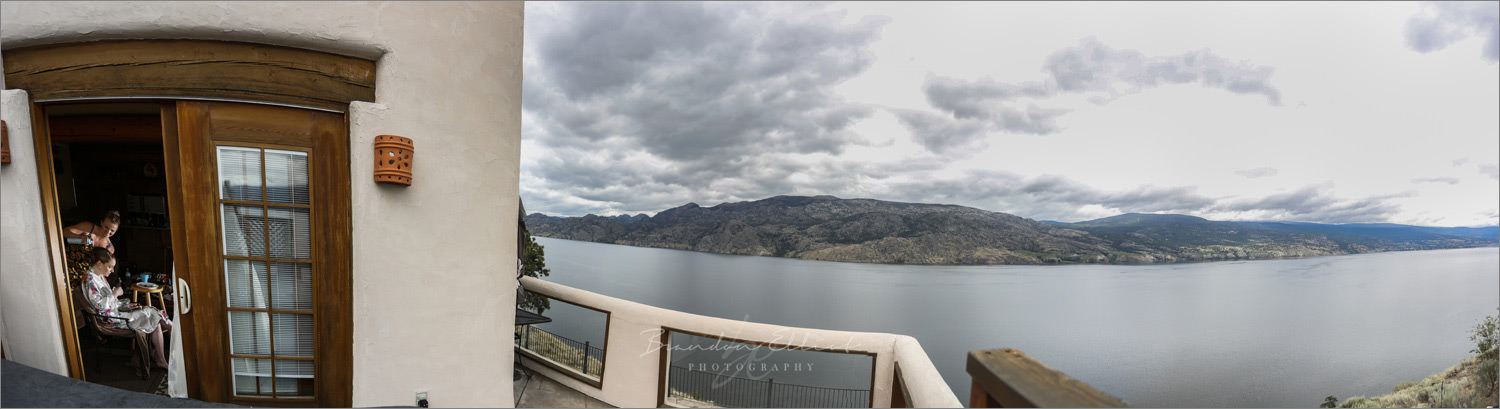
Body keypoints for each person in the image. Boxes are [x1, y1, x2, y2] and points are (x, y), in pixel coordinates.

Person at [83, 247, 172, 369]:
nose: (112, 270)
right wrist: (114, 294)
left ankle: (162, 358)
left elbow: (109, 303)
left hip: (115, 312)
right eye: (110, 267)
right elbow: (100, 307)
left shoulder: (98, 276)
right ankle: (167, 357)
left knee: (154, 316)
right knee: (154, 315)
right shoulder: (90, 281)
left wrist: (124, 305)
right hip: (110, 319)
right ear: (99, 263)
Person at [63, 210, 122, 288]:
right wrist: (79, 237)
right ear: (101, 222)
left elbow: (100, 271)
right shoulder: (89, 228)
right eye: (106, 227)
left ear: (116, 230)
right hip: (65, 267)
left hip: (81, 280)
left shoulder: (109, 248)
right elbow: (64, 232)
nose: (108, 232)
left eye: (112, 230)